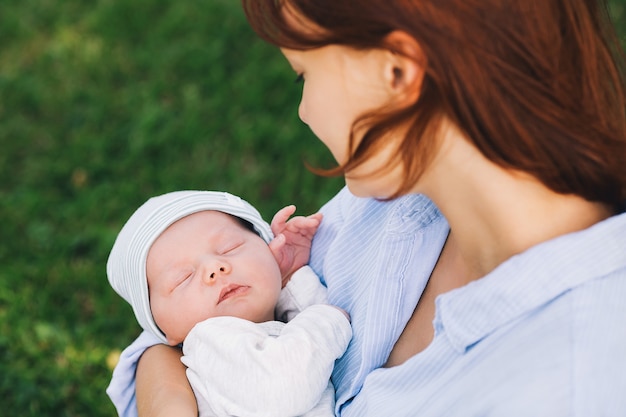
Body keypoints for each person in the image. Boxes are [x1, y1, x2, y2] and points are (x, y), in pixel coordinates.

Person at [108, 0, 626, 416]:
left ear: (397, 72)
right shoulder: (380, 211)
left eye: (302, 73)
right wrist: (163, 381)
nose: (304, 111)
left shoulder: (573, 384)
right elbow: (184, 319)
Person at [106, 190, 352, 417]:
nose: (214, 268)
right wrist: (327, 321)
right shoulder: (210, 341)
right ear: (162, 328)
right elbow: (281, 390)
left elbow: (340, 342)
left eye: (230, 248)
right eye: (183, 279)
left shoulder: (283, 326)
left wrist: (289, 277)